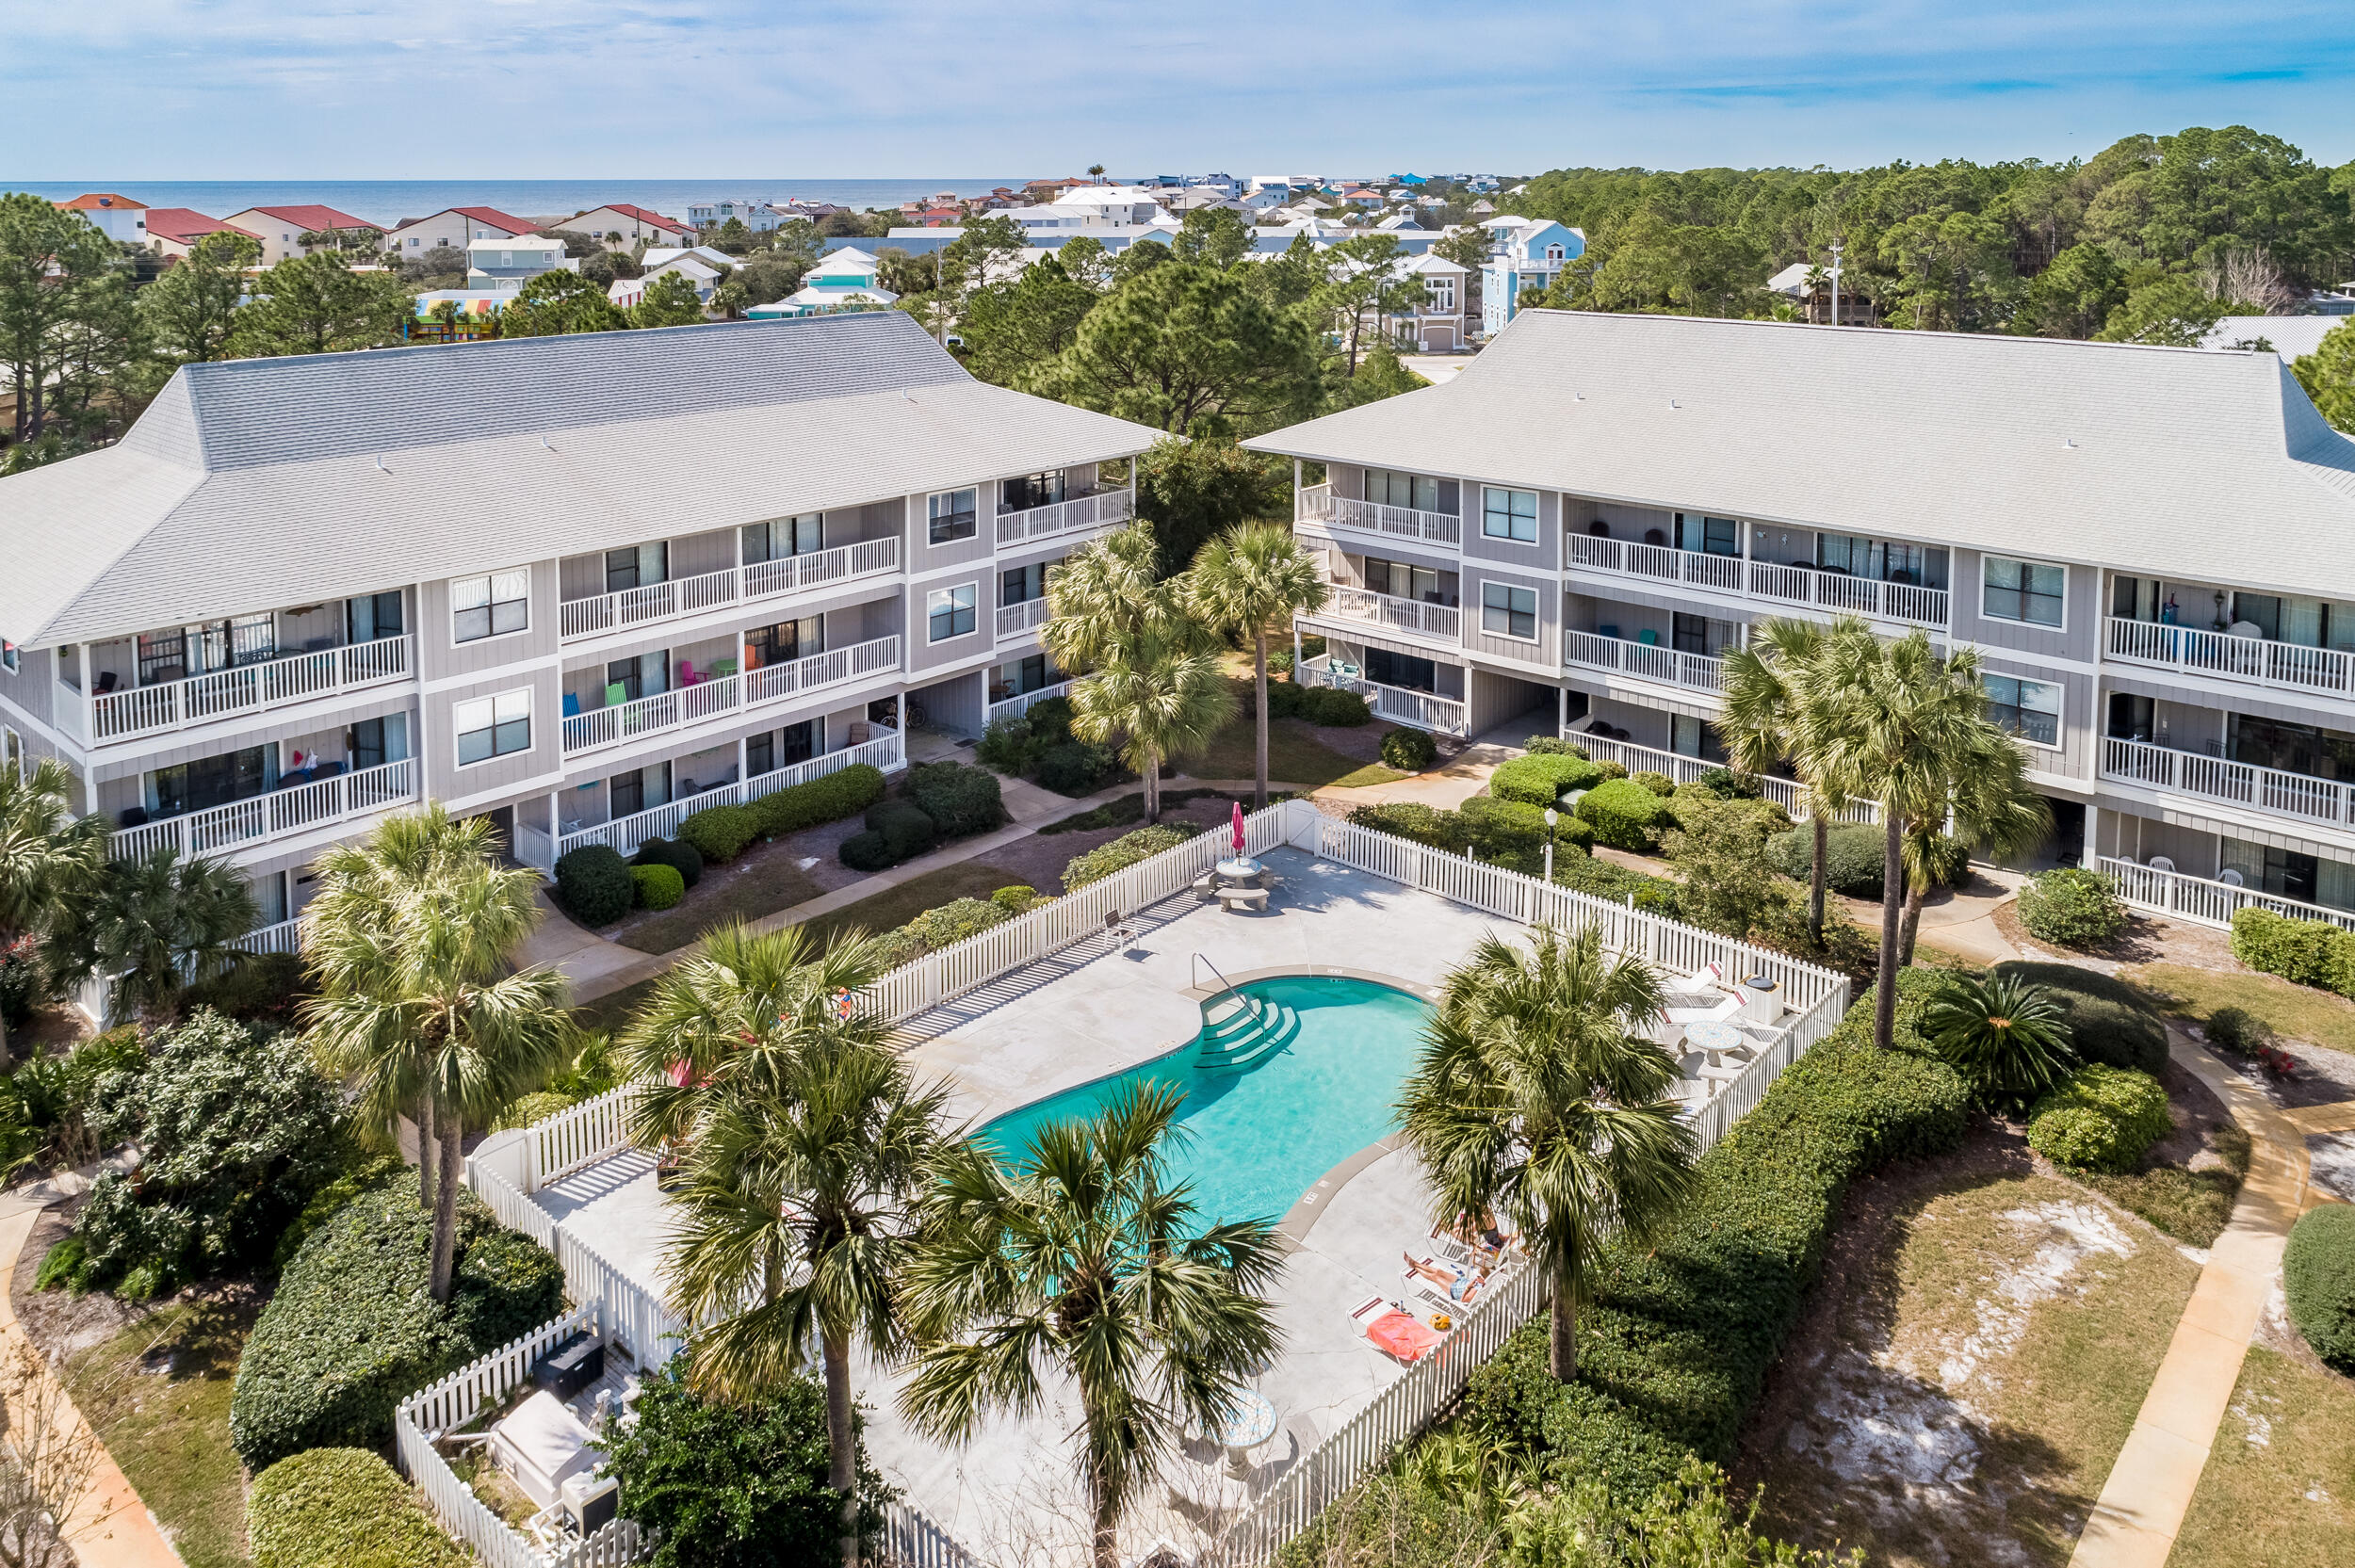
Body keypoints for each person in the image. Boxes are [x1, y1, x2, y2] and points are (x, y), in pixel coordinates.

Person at [1402, 1251, 1487, 1302]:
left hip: (1456, 1291)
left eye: (1478, 1277)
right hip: (1461, 1281)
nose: (1477, 1277)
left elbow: (1463, 1299)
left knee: (1435, 1277)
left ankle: (1415, 1267)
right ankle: (1415, 1263)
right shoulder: (1486, 1281)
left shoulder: (1476, 1291)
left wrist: (1468, 1288)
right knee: (1438, 1271)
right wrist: (1472, 1282)